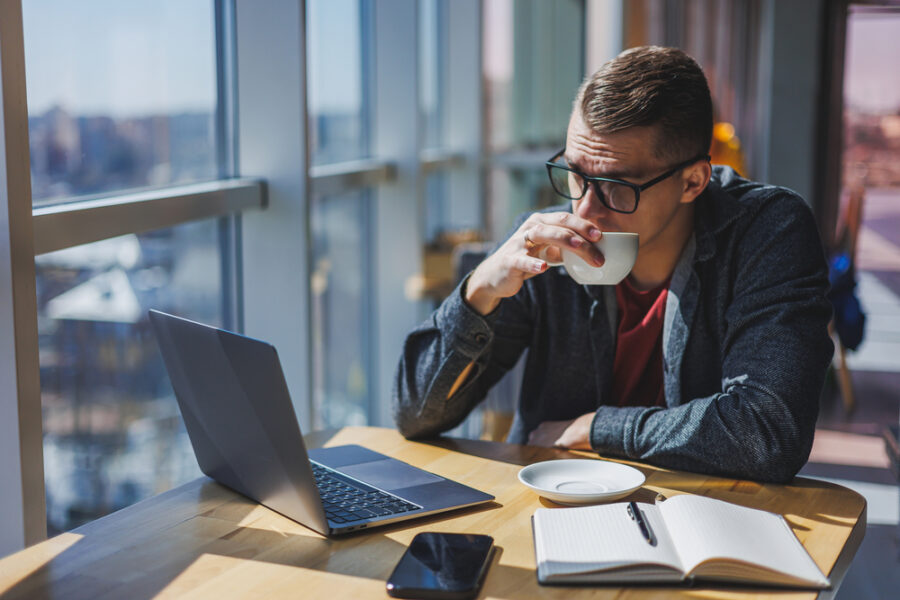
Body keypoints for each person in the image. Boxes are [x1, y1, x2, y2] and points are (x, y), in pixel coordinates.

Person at [392, 46, 833, 483]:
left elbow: (769, 432)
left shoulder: (766, 232)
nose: (585, 213)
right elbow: (415, 414)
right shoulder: (544, 246)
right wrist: (481, 290)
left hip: (697, 517)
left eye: (616, 187)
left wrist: (599, 429)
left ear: (693, 181)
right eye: (576, 174)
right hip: (551, 507)